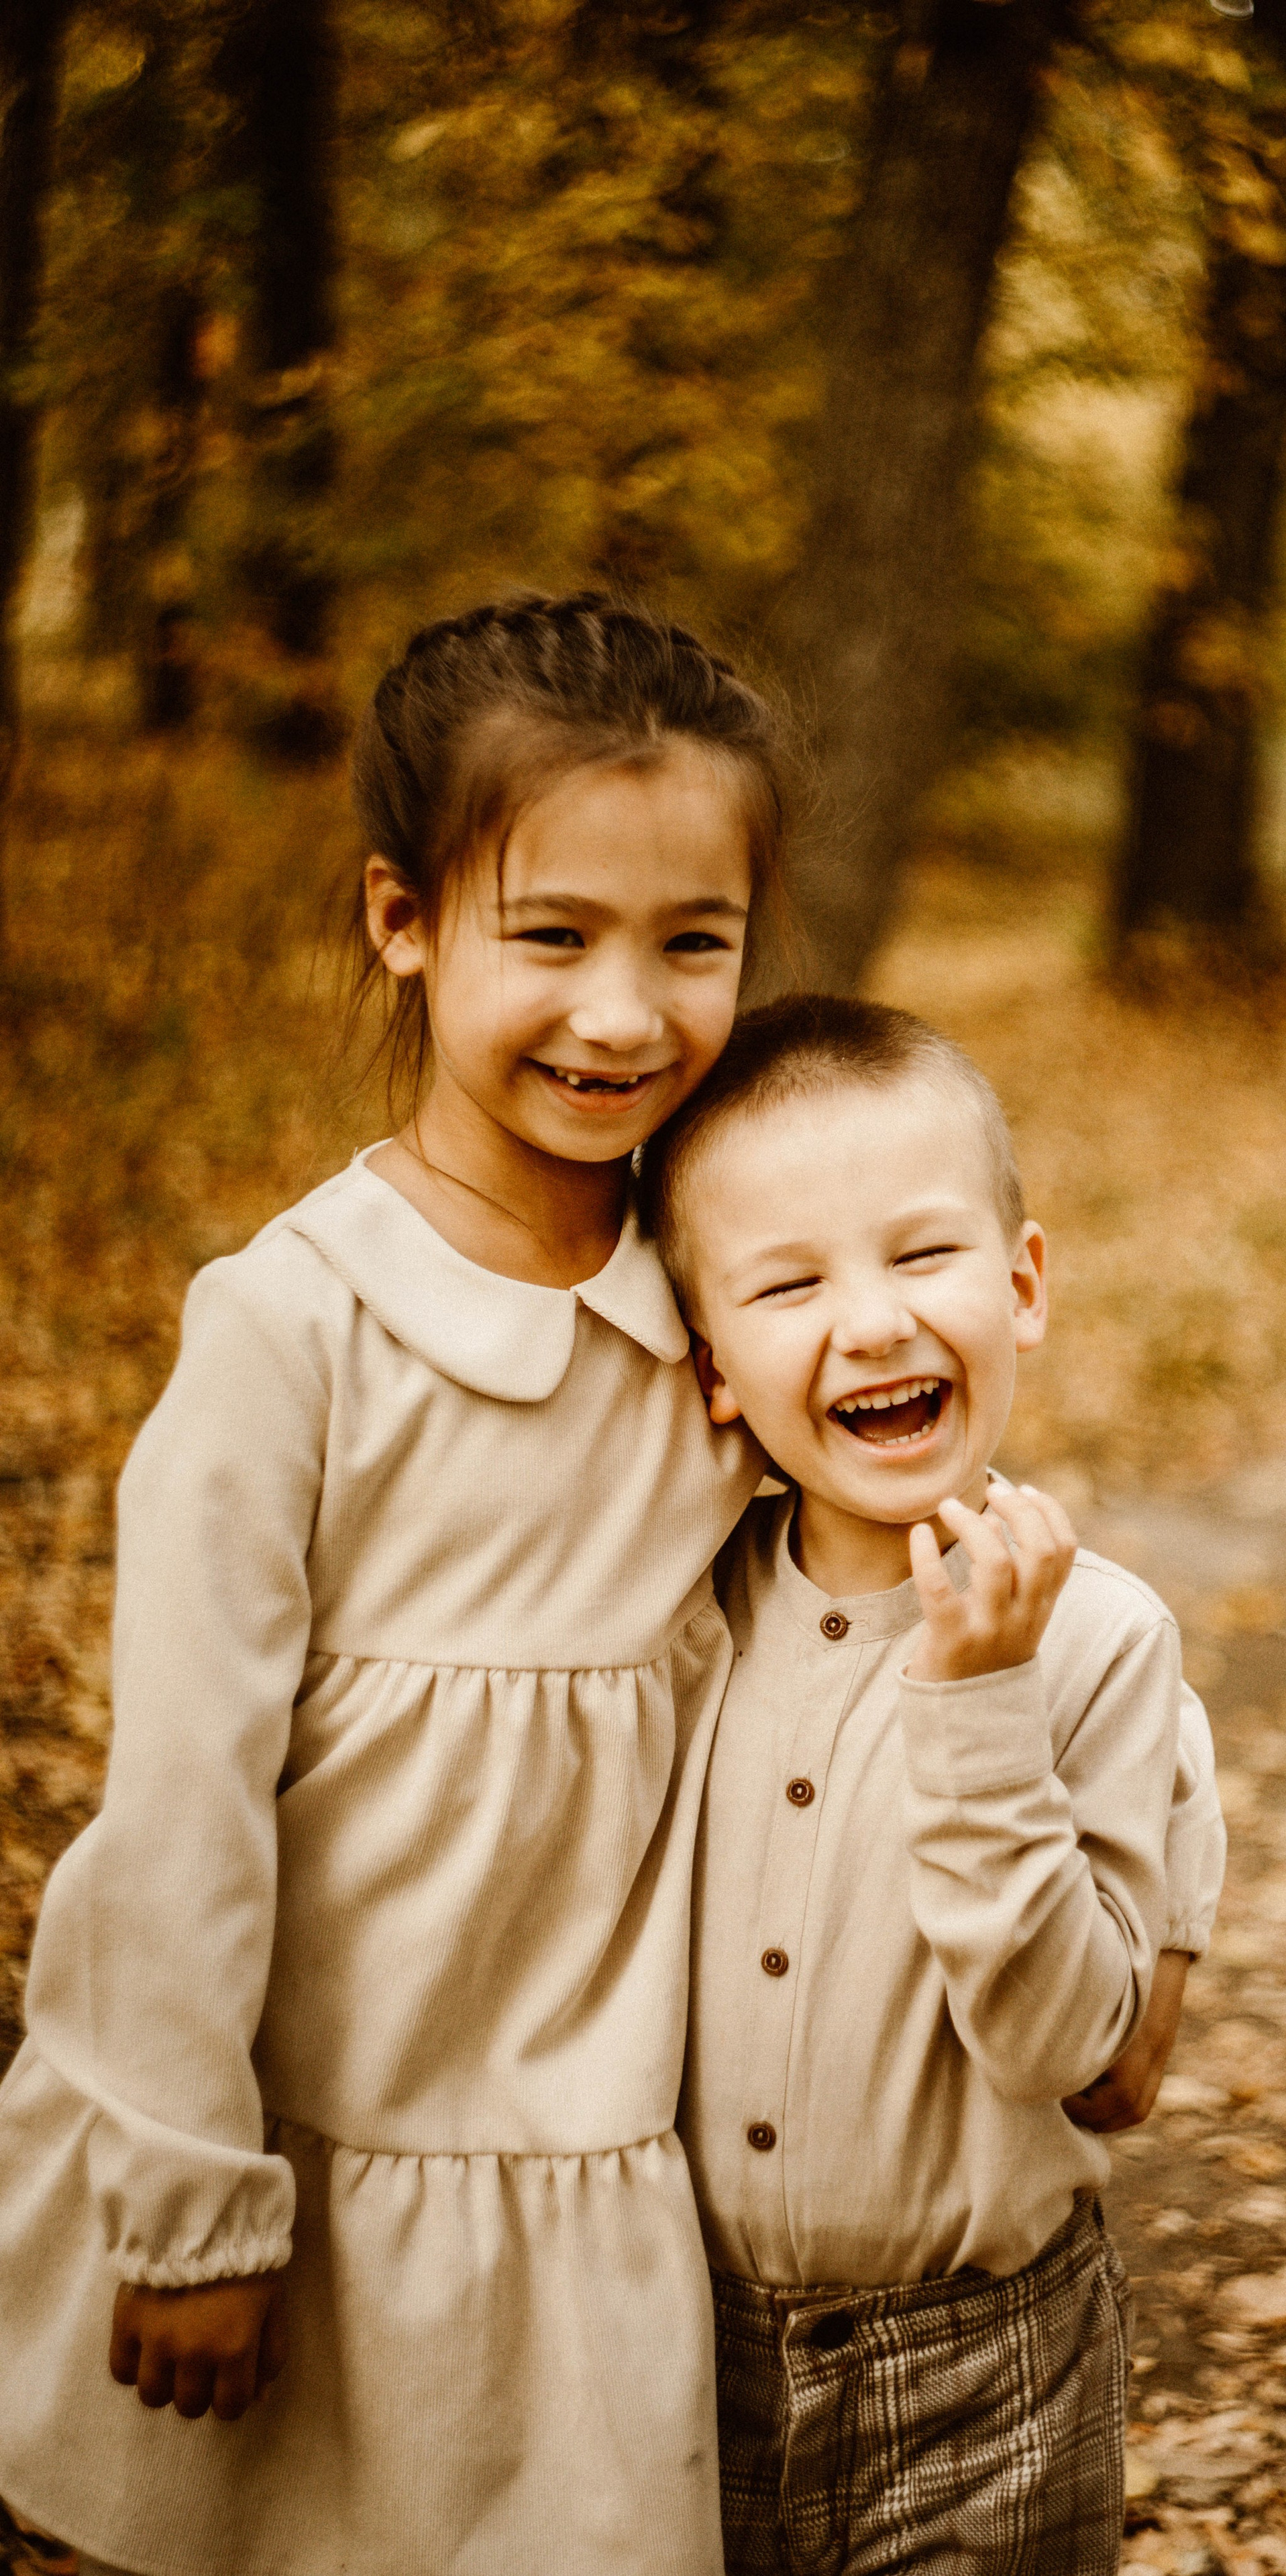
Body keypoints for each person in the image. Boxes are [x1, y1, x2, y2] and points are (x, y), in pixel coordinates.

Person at [0, 593, 790, 2576]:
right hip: (290, 2167)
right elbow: (181, 1806)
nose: (625, 1016)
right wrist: (192, 2202)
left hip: (591, 2200)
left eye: (694, 945)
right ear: (402, 919)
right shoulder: (296, 1331)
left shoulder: (721, 1311)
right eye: (553, 935)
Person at [639, 995, 1228, 2576]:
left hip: (977, 2373)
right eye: (787, 1284)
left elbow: (1070, 2049)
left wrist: (973, 1703)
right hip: (668, 2351)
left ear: (1022, 1285)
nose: (874, 1322)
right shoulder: (674, 1613)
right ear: (709, 1362)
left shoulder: (1097, 1642)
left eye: (921, 1255)